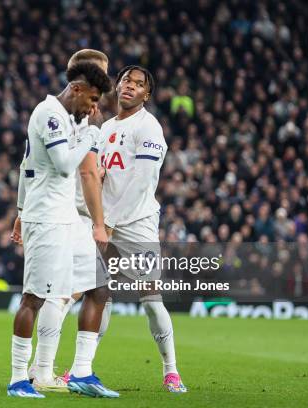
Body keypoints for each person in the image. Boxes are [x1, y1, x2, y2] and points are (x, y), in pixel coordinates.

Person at [7, 62, 114, 398]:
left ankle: (82, 372)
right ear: (77, 88)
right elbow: (66, 165)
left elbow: (26, 167)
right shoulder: (50, 113)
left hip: (67, 218)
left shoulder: (69, 118)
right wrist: (93, 133)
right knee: (34, 298)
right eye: (92, 98)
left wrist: (19, 210)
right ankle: (18, 380)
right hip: (48, 219)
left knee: (99, 287)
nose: (94, 108)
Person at [100, 65, 187, 393]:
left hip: (136, 223)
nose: (130, 87)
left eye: (138, 85)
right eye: (126, 81)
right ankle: (82, 369)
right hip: (105, 224)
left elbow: (141, 183)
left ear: (146, 94)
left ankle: (171, 370)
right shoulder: (106, 127)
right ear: (118, 85)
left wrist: (110, 221)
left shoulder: (149, 127)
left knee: (150, 298)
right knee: (99, 296)